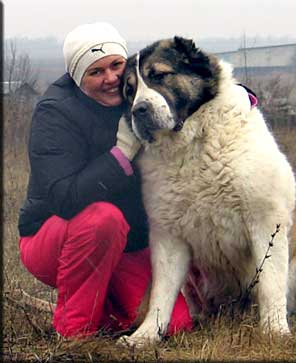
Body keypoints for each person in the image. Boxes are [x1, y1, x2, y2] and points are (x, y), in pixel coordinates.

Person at [18, 22, 192, 339]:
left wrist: (239, 95)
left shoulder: (135, 92)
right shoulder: (55, 113)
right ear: (77, 77)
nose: (110, 78)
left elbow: (192, 83)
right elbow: (65, 198)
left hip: (128, 245)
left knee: (175, 325)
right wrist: (121, 155)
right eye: (95, 72)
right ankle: (74, 334)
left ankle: (104, 308)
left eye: (116, 65)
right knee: (103, 220)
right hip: (55, 236)